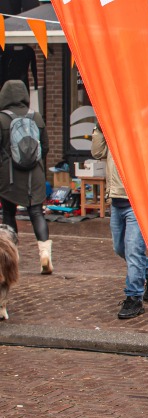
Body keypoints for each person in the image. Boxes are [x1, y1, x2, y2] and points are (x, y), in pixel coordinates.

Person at [91, 125, 148, 319]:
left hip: (136, 203)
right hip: (116, 201)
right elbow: (97, 152)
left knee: (133, 250)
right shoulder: (112, 133)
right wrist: (100, 128)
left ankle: (134, 297)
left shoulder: (139, 135)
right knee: (120, 248)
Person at [0, 80, 50, 274]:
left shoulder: (2, 119)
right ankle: (45, 254)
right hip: (34, 176)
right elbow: (45, 147)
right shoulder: (35, 116)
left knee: (9, 214)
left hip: (9, 177)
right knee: (37, 213)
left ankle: (13, 256)